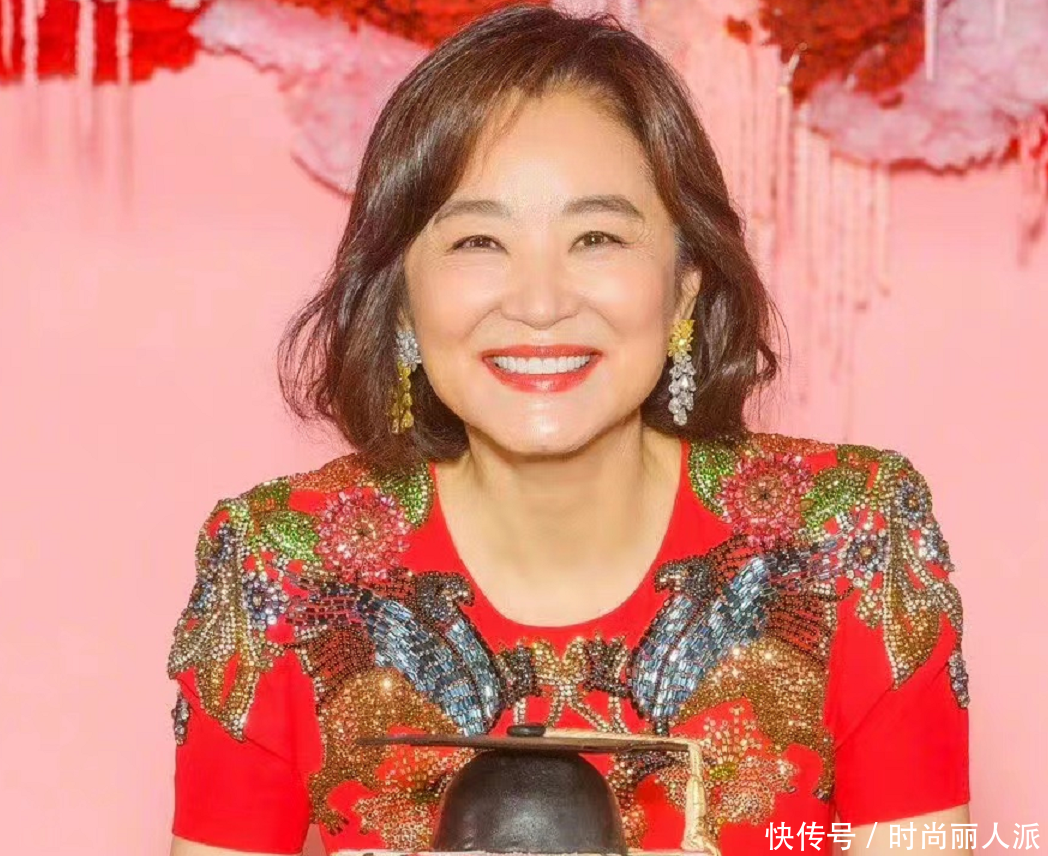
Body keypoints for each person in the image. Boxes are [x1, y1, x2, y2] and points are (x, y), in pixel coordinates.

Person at [166, 5, 971, 855]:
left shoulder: (852, 537)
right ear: (401, 297)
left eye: (596, 237)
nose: (541, 303)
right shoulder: (280, 566)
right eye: (479, 241)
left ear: (685, 286)